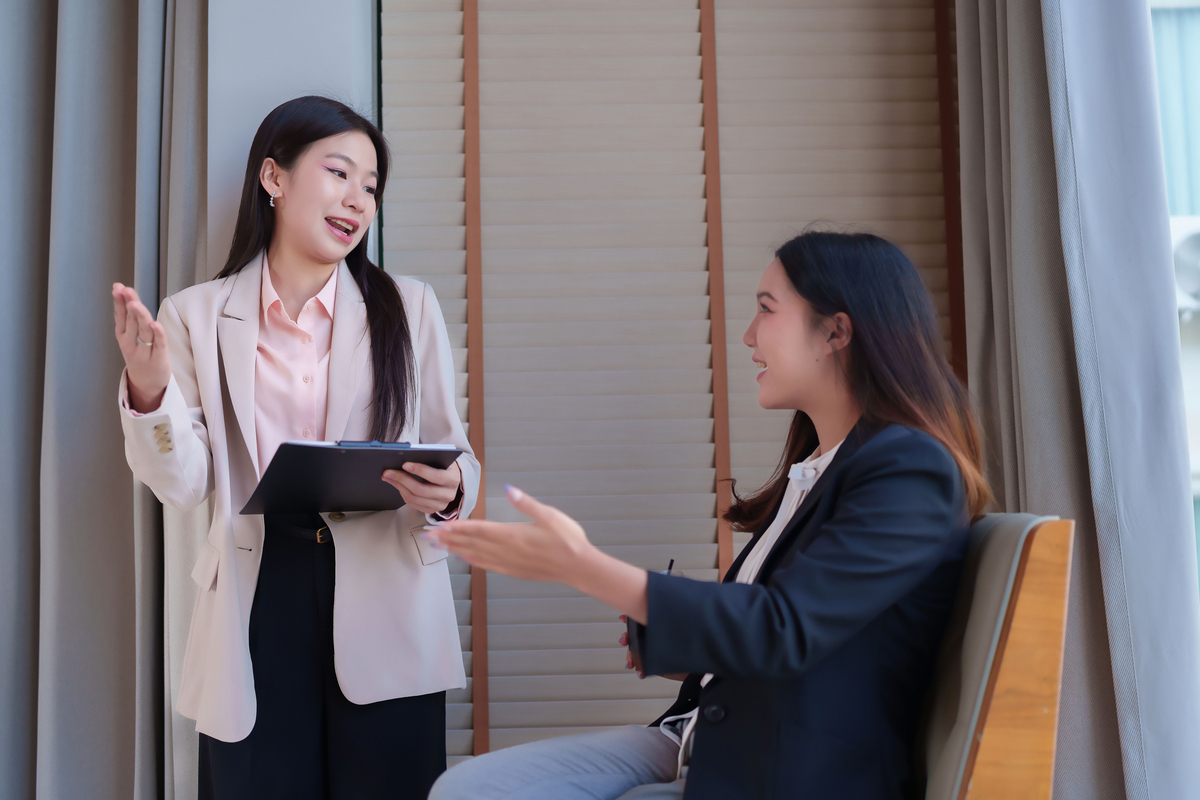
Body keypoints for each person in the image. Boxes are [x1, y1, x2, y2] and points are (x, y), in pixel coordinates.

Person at [424, 231, 991, 800]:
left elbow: (782, 627)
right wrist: (677, 643)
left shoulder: (910, 469)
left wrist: (581, 567)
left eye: (767, 310)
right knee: (467, 788)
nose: (747, 335)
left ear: (835, 332)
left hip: (782, 769)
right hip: (702, 732)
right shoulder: (820, 464)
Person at [112, 96, 479, 800]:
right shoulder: (194, 315)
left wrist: (452, 491)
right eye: (339, 174)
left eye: (371, 187)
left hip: (389, 602)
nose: (358, 200)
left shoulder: (409, 307)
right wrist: (151, 394)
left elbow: (454, 450)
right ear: (273, 178)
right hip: (258, 600)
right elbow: (184, 483)